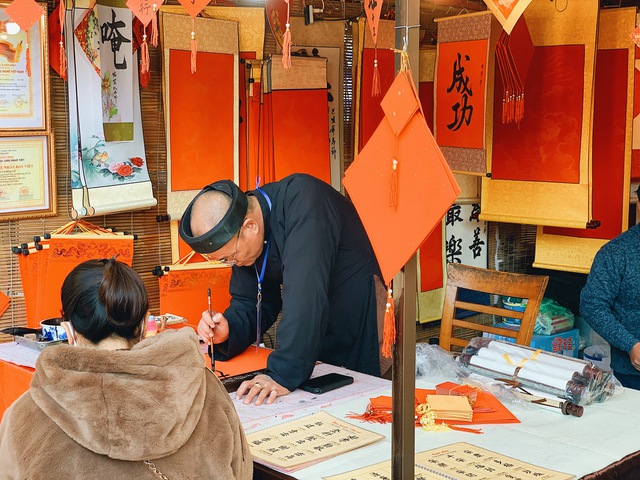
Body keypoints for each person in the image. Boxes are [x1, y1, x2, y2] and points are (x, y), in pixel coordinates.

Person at [0, 258, 252, 479]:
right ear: (145, 323)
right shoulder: (205, 388)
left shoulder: (23, 417)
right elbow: (242, 470)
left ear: (69, 329)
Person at [179, 174, 385, 406]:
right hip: (312, 324)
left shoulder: (305, 202)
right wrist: (229, 328)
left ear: (250, 226)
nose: (232, 264)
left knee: (360, 399)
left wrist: (282, 373)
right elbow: (250, 299)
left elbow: (304, 295)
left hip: (358, 308)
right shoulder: (246, 237)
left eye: (230, 257)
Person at [580, 190, 640, 390]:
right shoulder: (617, 252)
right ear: (639, 203)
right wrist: (630, 344)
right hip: (634, 371)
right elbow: (592, 304)